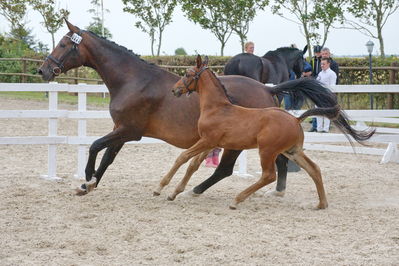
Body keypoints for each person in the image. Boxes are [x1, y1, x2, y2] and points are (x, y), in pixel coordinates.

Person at [315, 58, 337, 133]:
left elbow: (332, 86)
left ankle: (325, 129)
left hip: (327, 96)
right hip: (319, 96)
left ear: (328, 64)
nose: (322, 65)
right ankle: (319, 128)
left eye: (323, 64)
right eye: (321, 64)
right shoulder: (320, 73)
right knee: (318, 112)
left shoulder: (332, 74)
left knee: (327, 113)